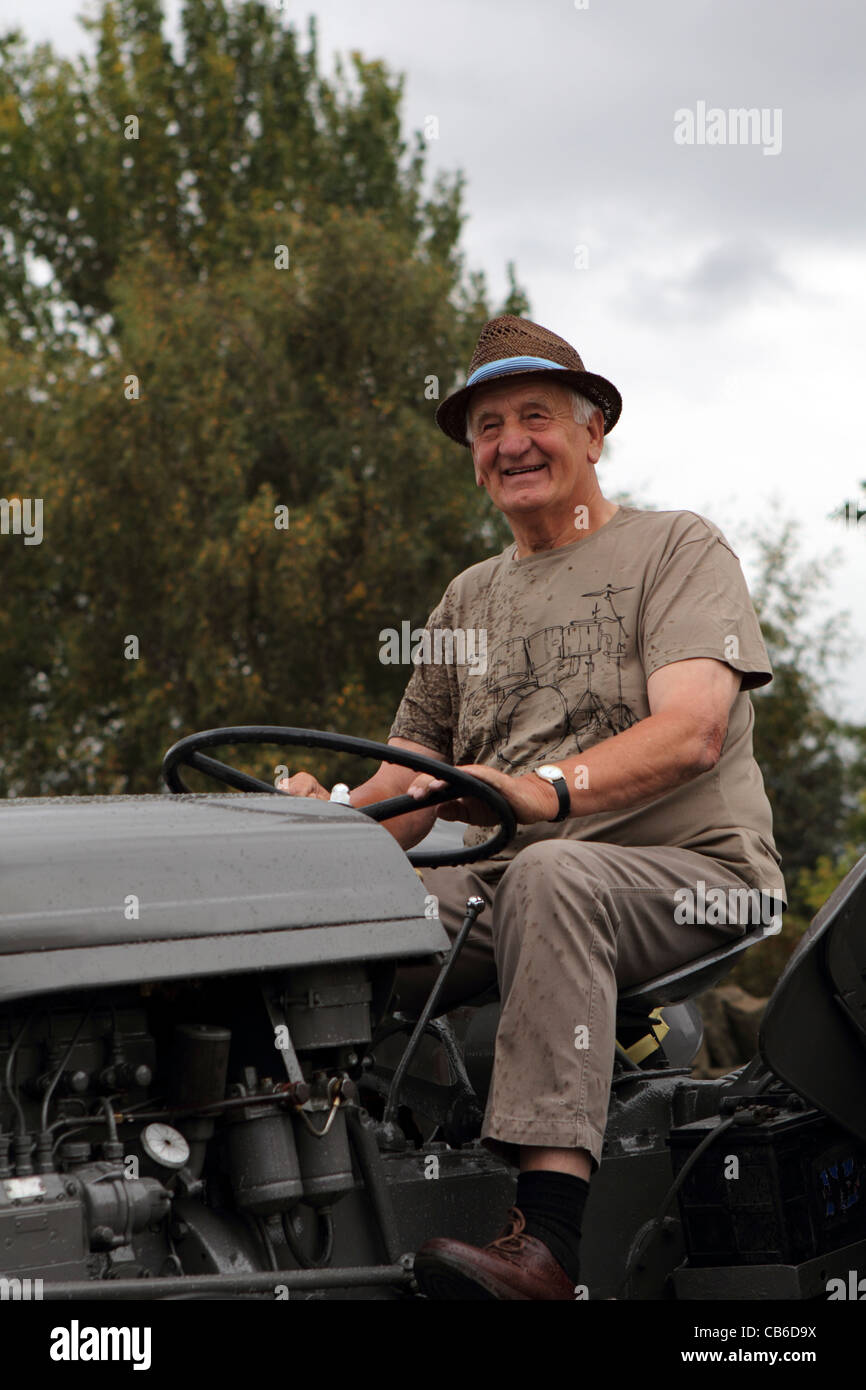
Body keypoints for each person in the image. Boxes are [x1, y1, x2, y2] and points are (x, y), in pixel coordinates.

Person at [282, 314, 786, 1300]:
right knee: (325, 929)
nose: (509, 441)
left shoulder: (674, 549)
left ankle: (543, 1244)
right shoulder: (467, 601)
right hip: (504, 890)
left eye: (533, 416)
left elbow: (688, 729)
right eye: (485, 426)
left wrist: (549, 788)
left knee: (554, 871)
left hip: (695, 879)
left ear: (592, 431)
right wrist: (315, 819)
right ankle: (303, 1197)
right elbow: (407, 791)